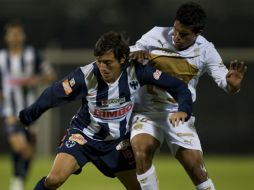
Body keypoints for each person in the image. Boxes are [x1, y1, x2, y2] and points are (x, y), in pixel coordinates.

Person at [18, 31, 192, 190]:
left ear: (122, 59)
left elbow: (178, 87)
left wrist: (184, 109)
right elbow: (52, 94)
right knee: (54, 179)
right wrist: (27, 116)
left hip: (117, 143)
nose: (102, 67)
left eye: (108, 63)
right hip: (84, 136)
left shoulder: (138, 71)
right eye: (99, 61)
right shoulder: (86, 76)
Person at [129, 2, 247, 190]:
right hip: (147, 111)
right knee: (141, 151)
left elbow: (225, 83)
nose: (176, 37)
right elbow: (131, 52)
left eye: (184, 34)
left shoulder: (206, 50)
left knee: (196, 169)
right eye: (175, 30)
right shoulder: (155, 34)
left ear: (197, 33)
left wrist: (233, 85)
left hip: (179, 113)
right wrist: (135, 53)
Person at [0, 21, 56, 190]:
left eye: (18, 33)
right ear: (7, 37)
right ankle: (17, 181)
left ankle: (19, 180)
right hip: (9, 109)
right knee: (20, 145)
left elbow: (51, 75)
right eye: (12, 34)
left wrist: (34, 80)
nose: (15, 37)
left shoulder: (32, 55)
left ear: (23, 36)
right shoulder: (2, 57)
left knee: (28, 151)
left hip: (30, 110)